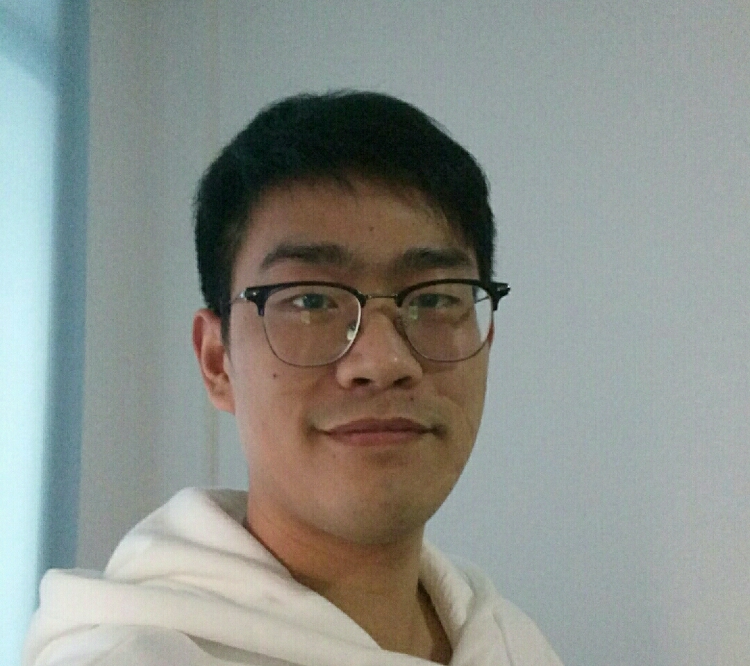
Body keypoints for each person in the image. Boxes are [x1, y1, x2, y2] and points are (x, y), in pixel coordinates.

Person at [24, 91, 563, 665]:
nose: (383, 362)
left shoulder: (511, 642)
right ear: (217, 361)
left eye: (434, 298)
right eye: (310, 300)